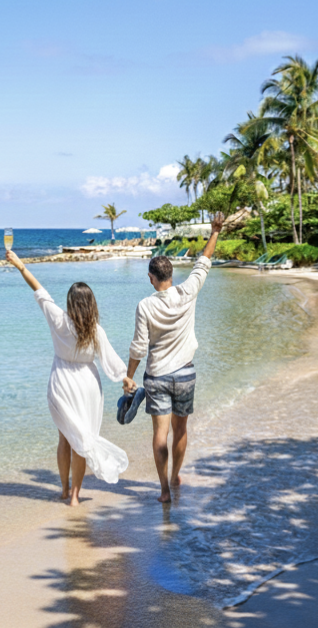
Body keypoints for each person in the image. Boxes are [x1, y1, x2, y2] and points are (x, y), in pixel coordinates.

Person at [6, 250, 130, 506]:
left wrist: (20, 265)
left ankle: (64, 490)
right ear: (91, 304)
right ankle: (75, 496)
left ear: (70, 303)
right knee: (81, 440)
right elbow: (111, 361)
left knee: (65, 437)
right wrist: (125, 379)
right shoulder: (95, 330)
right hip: (87, 385)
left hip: (62, 381)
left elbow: (39, 290)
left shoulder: (58, 319)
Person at [122, 213, 225, 503]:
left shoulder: (145, 305)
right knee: (182, 429)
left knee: (160, 433)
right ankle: (175, 474)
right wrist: (214, 232)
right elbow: (203, 264)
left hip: (156, 377)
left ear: (152, 278)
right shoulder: (187, 291)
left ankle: (164, 491)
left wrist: (129, 376)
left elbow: (139, 347)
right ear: (171, 276)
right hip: (185, 374)